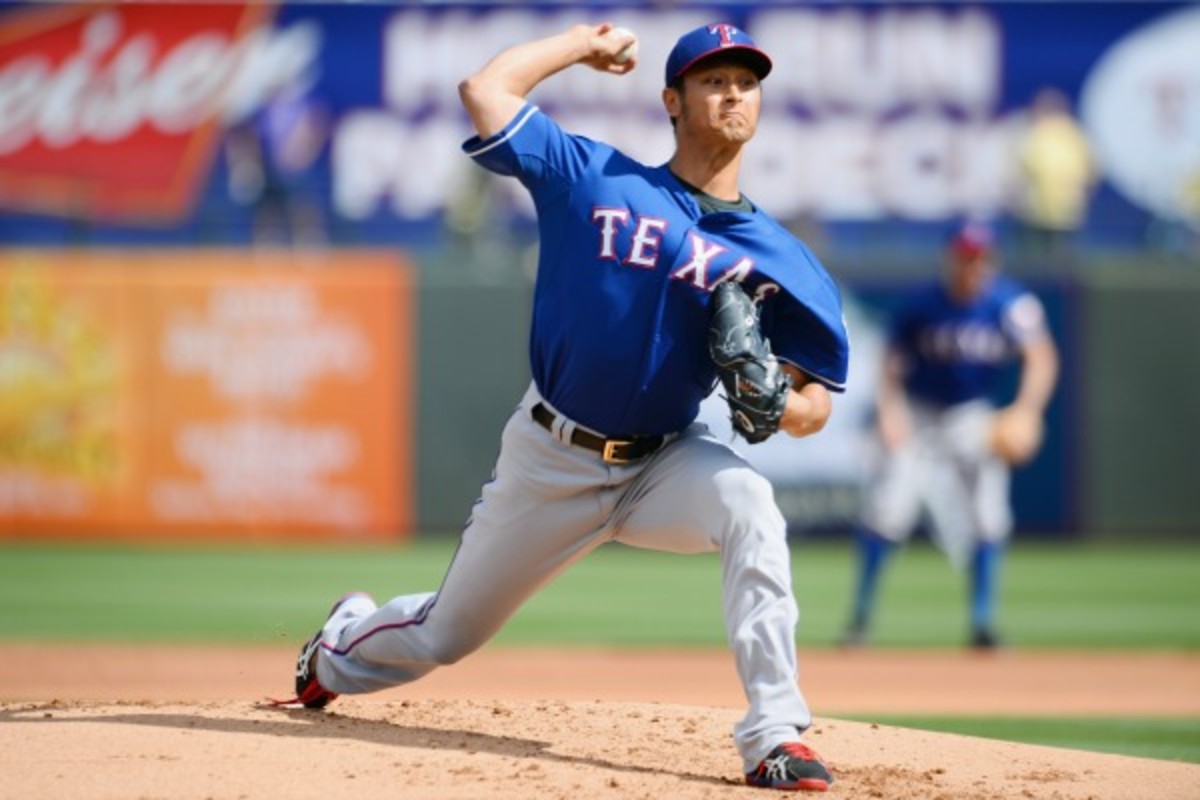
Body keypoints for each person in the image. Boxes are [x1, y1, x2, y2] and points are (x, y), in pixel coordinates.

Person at [276, 22, 849, 792]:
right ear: (671, 101)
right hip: (553, 456)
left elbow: (818, 401)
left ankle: (775, 736)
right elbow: (485, 92)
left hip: (665, 460)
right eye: (713, 80)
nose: (734, 93)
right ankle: (338, 646)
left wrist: (779, 405)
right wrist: (582, 44)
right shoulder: (593, 177)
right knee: (447, 634)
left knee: (750, 503)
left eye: (746, 81)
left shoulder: (782, 258)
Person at [841, 222, 1059, 650]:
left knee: (988, 516)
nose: (971, 265)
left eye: (979, 257)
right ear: (951, 257)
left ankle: (983, 624)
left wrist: (1027, 410)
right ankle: (860, 621)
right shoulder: (923, 302)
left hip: (971, 415)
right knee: (888, 511)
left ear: (991, 259)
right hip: (919, 412)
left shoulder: (1010, 303)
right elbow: (890, 360)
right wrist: (890, 411)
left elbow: (1041, 355)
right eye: (965, 256)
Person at [1013, 87, 1095, 260]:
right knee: (1064, 263)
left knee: (1035, 264)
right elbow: (1091, 173)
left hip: (1038, 212)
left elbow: (1025, 171)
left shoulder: (1037, 135)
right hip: (1069, 213)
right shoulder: (1077, 135)